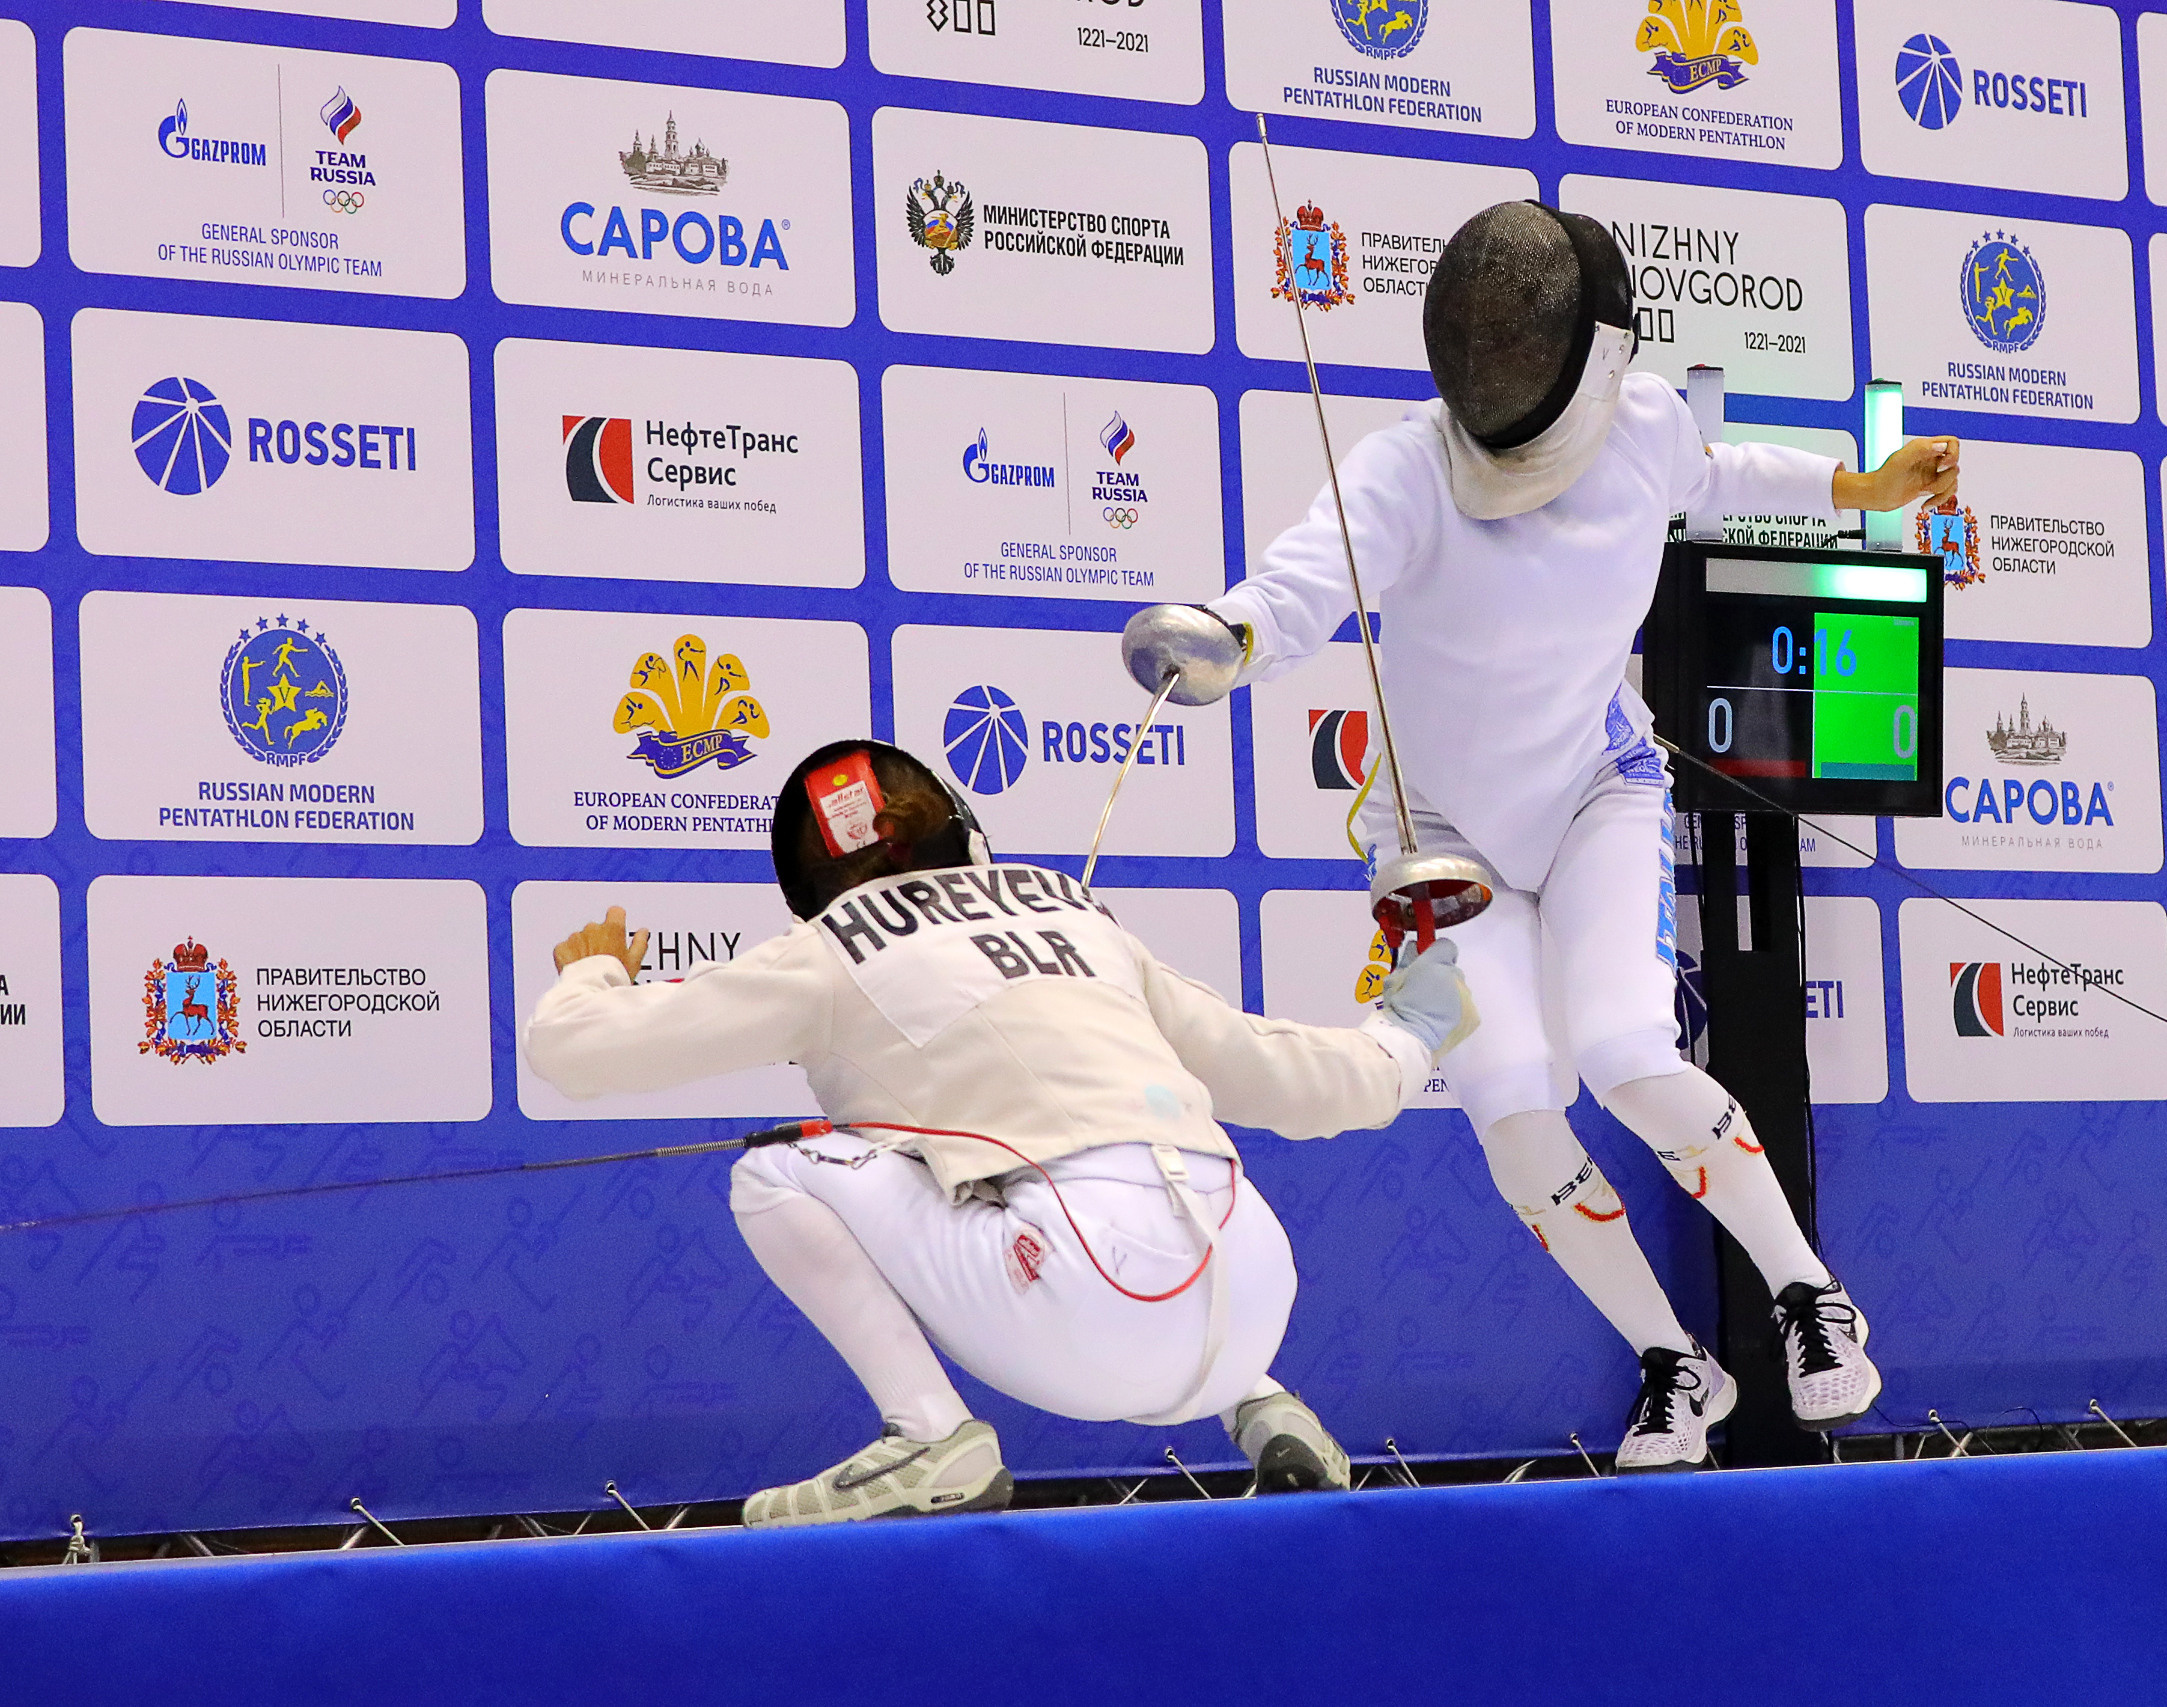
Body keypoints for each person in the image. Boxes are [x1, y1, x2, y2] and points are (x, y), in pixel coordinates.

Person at [1123, 200, 1960, 1472]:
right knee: (1513, 1106)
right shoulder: (1406, 470)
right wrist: (1226, 639)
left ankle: (1806, 1295)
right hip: (1445, 844)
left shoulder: (1649, 425)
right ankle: (1678, 1363)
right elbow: (1300, 581)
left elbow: (1716, 476)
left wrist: (1856, 488)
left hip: (1593, 795)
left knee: (1627, 1048)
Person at [524, 738, 1476, 1525]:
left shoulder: (824, 951)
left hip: (1085, 1305)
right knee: (1095, 1165)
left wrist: (594, 971)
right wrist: (1408, 1033)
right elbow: (1287, 1076)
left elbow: (574, 1052)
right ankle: (1261, 1400)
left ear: (812, 885)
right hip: (1259, 1281)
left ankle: (929, 1435)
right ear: (963, 833)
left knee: (777, 1168)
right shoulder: (1079, 913)